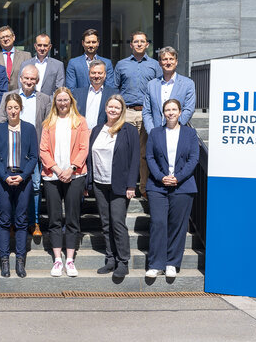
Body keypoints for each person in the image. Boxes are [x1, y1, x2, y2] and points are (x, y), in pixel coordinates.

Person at [145, 98, 199, 278]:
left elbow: (193, 159)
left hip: (182, 186)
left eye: (174, 109)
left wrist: (178, 177)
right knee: (158, 223)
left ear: (180, 112)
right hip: (157, 186)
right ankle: (155, 263)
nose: (170, 113)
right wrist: (161, 177)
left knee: (178, 225)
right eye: (167, 110)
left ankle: (172, 263)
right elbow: (150, 157)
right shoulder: (154, 133)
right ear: (163, 113)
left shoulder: (190, 134)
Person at [86, 94, 139, 277]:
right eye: (110, 107)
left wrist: (131, 185)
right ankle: (110, 259)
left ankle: (123, 261)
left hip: (120, 184)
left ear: (122, 110)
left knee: (117, 223)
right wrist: (89, 181)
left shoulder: (129, 130)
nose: (113, 110)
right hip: (100, 183)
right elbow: (90, 157)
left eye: (117, 107)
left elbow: (134, 160)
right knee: (106, 222)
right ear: (106, 108)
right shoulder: (97, 129)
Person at [40, 87, 89, 278]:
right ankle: (57, 259)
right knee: (54, 218)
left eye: (65, 100)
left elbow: (84, 148)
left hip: (75, 175)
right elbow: (43, 150)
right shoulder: (48, 123)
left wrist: (71, 169)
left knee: (72, 218)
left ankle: (70, 259)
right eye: (59, 100)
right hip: (52, 176)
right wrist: (58, 170)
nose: (62, 103)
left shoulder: (80, 122)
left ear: (71, 101)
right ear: (55, 102)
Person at [0, 64, 52, 237]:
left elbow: (47, 126)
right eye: (26, 78)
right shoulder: (8, 96)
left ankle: (33, 222)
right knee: (11, 186)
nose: (29, 81)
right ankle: (13, 222)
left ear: (37, 81)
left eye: (32, 79)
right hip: (11, 150)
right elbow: (0, 121)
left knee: (35, 187)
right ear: (20, 78)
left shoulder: (45, 99)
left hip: (32, 151)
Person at [0, 94, 38, 278]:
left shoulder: (29, 128)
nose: (12, 111)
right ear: (5, 109)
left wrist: (23, 176)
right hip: (4, 178)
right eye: (9, 107)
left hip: (23, 179)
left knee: (21, 220)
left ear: (20, 109)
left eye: (15, 107)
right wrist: (4, 176)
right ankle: (4, 260)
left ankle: (20, 260)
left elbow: (34, 156)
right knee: (4, 220)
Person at [114, 31, 162, 197]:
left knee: (143, 153)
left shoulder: (155, 65)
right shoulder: (121, 64)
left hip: (146, 113)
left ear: (147, 44)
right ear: (131, 44)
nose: (139, 44)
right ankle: (125, 187)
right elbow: (116, 87)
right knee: (124, 152)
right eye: (136, 41)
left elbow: (159, 89)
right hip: (126, 112)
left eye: (142, 41)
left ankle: (143, 188)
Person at [143, 46, 196, 133]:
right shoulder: (151, 85)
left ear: (176, 62)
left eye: (171, 59)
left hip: (178, 133)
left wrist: (174, 128)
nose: (168, 62)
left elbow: (189, 109)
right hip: (156, 133)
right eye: (165, 59)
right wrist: (152, 132)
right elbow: (146, 112)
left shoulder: (188, 84)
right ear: (160, 62)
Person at [72, 60, 119, 130]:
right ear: (89, 74)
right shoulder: (77, 94)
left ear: (105, 74)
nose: (96, 76)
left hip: (104, 134)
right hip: (82, 134)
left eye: (100, 73)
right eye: (93, 73)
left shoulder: (113, 94)